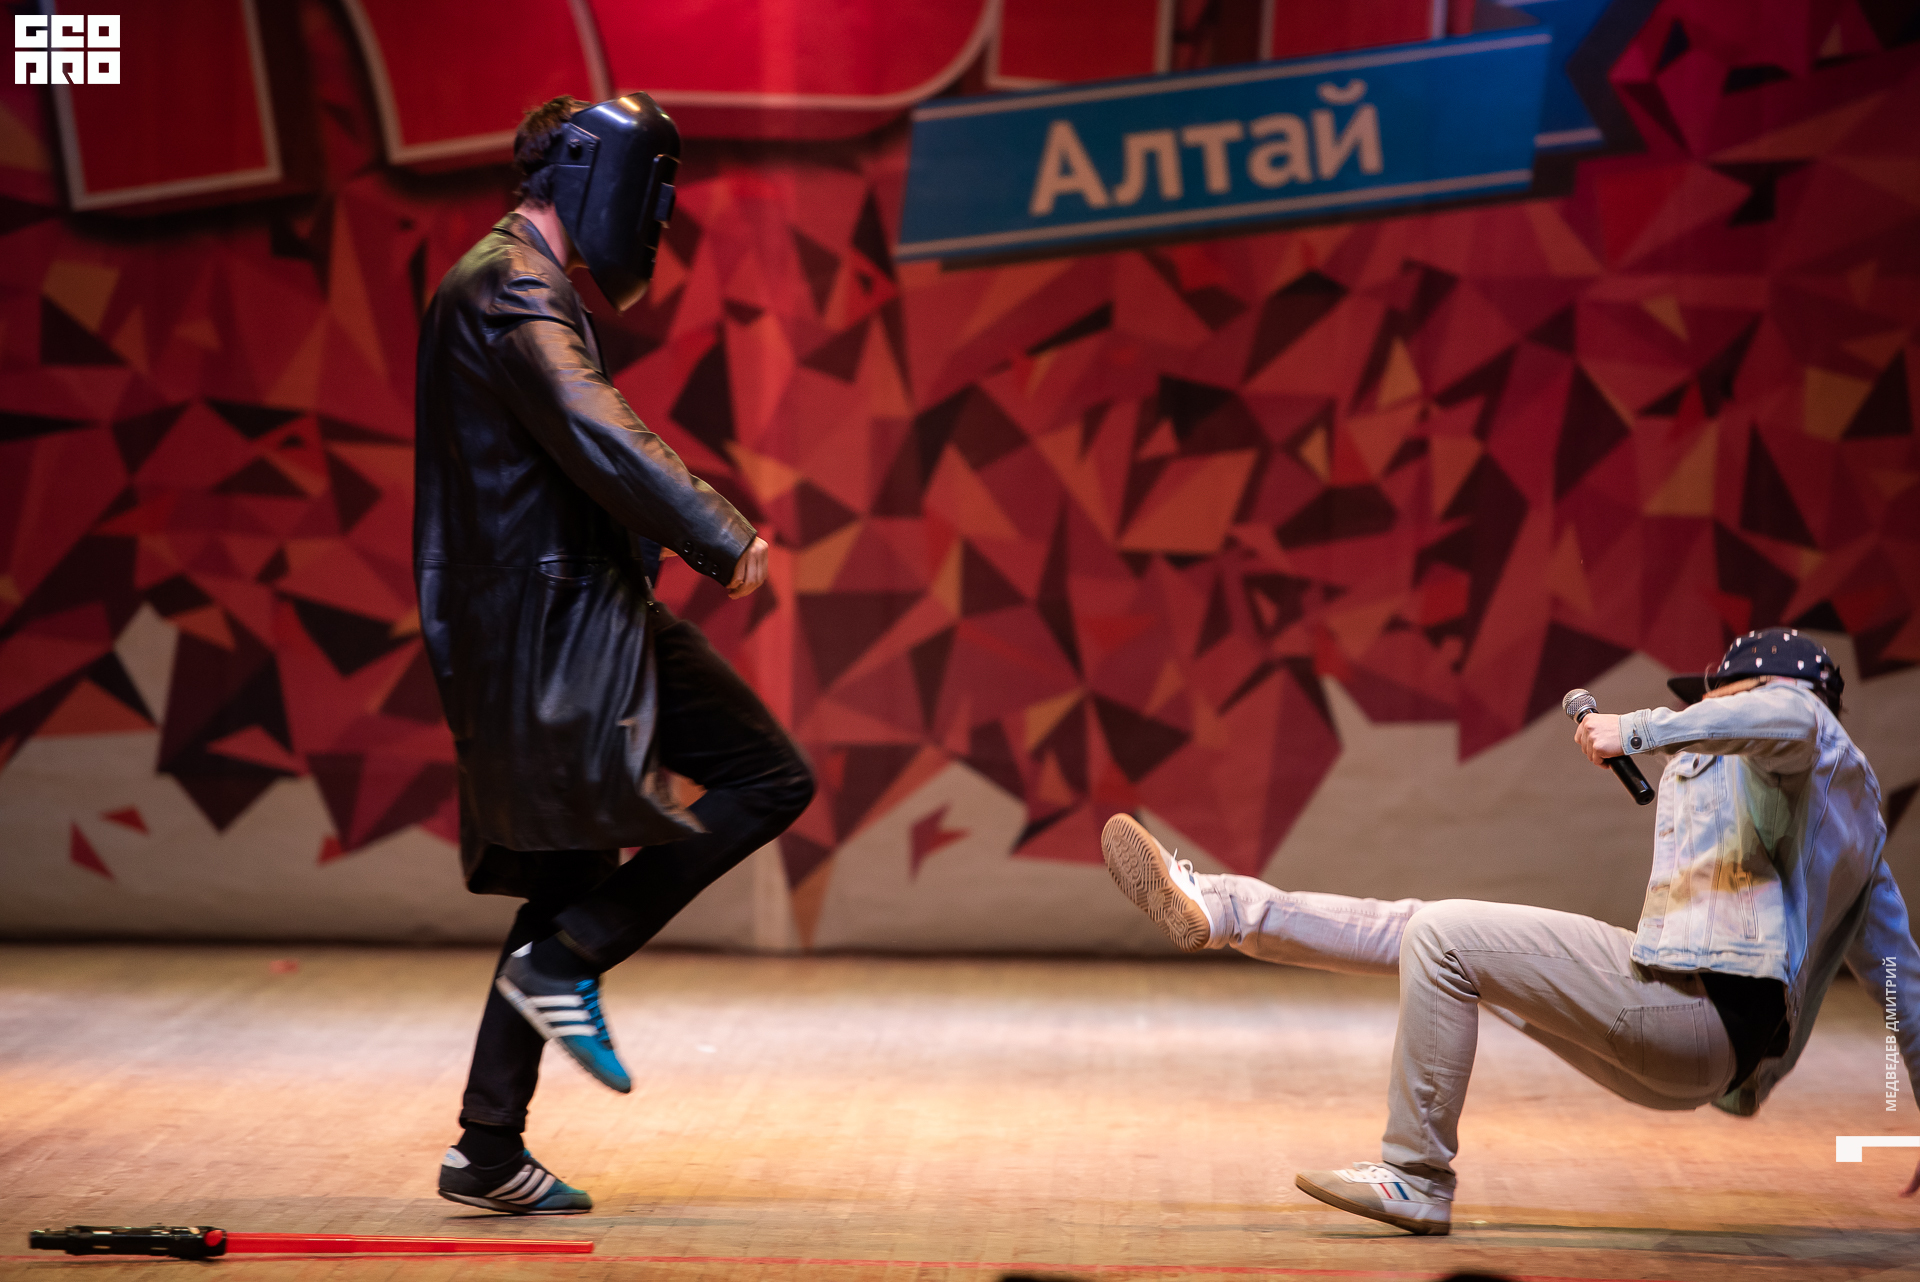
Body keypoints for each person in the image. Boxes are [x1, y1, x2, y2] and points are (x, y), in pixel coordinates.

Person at [1101, 627, 1918, 1234]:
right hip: (1698, 1052)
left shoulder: (1799, 721)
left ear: (1751, 684)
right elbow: (1901, 984)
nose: (1696, 705)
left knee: (1443, 934)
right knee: (1430, 937)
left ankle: (1416, 1177)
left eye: (1710, 692)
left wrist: (1635, 729)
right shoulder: (1856, 838)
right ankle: (1221, 908)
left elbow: (1790, 717)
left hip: (1693, 1015)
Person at [414, 94, 814, 1214]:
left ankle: (486, 1149)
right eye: (656, 195)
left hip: (557, 611)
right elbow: (593, 421)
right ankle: (568, 961)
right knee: (767, 775)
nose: (659, 221)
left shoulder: (513, 280)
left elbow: (567, 447)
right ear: (597, 176)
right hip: (558, 621)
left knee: (570, 872)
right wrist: (715, 531)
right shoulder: (510, 285)